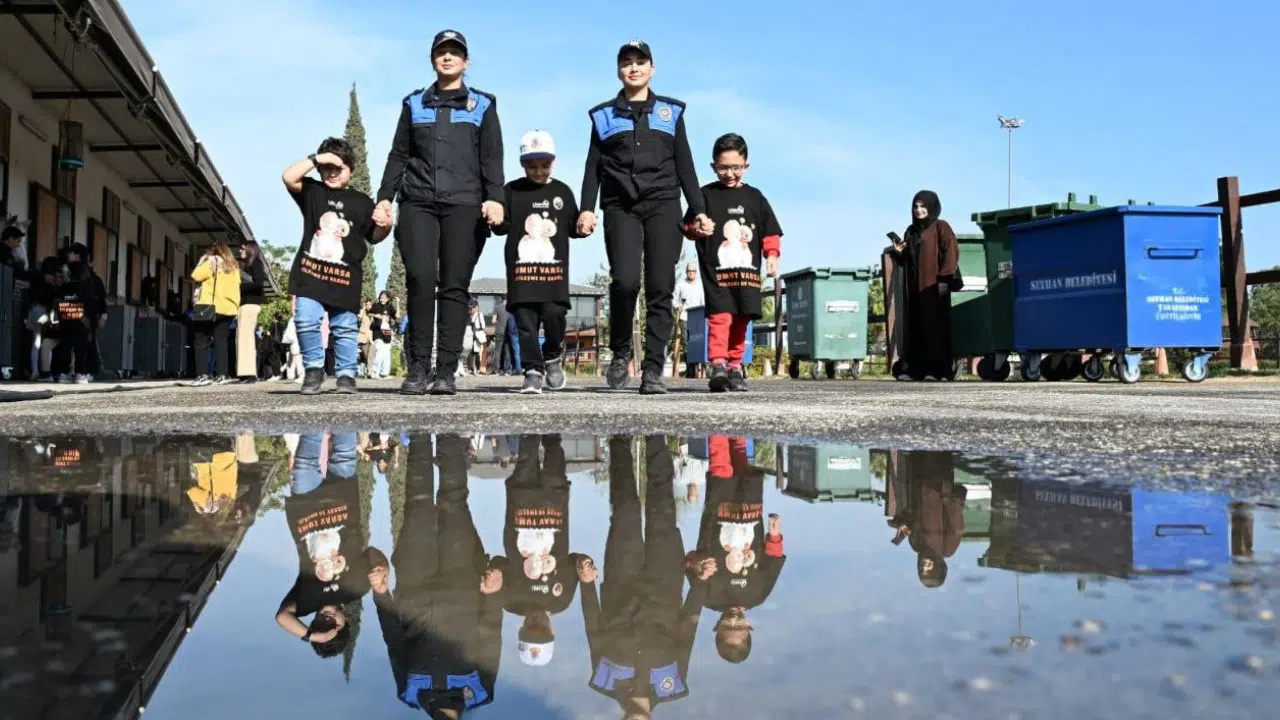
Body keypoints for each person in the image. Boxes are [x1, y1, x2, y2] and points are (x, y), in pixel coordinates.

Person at [376, 29, 505, 396]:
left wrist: (495, 196)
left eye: (454, 53)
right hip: (417, 202)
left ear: (465, 61)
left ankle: (446, 370)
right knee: (419, 278)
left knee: (453, 285)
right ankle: (418, 366)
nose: (447, 58)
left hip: (465, 205)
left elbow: (491, 156)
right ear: (433, 59)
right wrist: (385, 197)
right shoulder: (414, 104)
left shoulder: (482, 105)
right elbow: (399, 154)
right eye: (441, 53)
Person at [578, 39, 711, 395]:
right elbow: (593, 166)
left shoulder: (671, 113)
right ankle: (620, 352)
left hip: (663, 204)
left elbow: (685, 164)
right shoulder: (603, 116)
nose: (633, 68)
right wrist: (587, 208)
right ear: (619, 71)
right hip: (620, 206)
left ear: (652, 69)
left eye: (640, 62)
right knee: (624, 282)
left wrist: (698, 209)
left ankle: (653, 368)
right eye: (626, 63)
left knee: (660, 286)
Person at [372, 434, 504, 717]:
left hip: (413, 579)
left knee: (418, 503)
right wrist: (493, 596)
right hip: (463, 581)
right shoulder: (480, 691)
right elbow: (490, 635)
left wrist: (381, 593)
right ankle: (449, 433)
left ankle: (419, 431)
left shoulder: (408, 693)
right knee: (453, 501)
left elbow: (393, 639)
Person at [579, 436, 700, 717]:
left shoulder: (603, 681)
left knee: (625, 510)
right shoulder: (674, 685)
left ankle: (620, 440)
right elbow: (688, 630)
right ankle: (656, 436)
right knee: (661, 509)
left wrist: (586, 586)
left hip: (621, 581)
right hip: (666, 581)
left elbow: (593, 629)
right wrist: (700, 582)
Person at [282, 137, 392, 395]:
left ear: (351, 170)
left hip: (346, 279)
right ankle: (313, 370)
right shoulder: (312, 191)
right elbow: (288, 177)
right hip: (311, 276)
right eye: (326, 169)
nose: (331, 173)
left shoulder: (362, 201)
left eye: (338, 168)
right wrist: (317, 159)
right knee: (305, 320)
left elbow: (374, 236)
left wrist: (387, 226)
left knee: (344, 328)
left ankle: (345, 375)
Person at [489, 130, 588, 394]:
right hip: (522, 275)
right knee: (525, 323)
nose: (539, 171)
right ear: (523, 164)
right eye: (532, 166)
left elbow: (571, 228)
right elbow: (501, 228)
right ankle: (532, 371)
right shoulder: (511, 191)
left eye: (544, 165)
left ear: (553, 162)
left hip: (553, 276)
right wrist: (494, 218)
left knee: (555, 315)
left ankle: (552, 356)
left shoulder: (562, 192)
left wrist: (584, 224)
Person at [683, 133, 783, 393]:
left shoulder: (755, 197)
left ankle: (735, 367)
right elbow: (687, 226)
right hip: (717, 274)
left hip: (747, 276)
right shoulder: (703, 195)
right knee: (721, 317)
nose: (729, 173)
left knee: (741, 319)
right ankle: (717, 365)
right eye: (723, 167)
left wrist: (771, 255)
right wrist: (697, 228)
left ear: (746, 165)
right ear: (713, 166)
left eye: (735, 167)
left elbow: (770, 230)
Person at [275, 431, 388, 658]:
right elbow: (373, 554)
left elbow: (282, 618)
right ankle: (342, 400)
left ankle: (315, 406)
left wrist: (311, 636)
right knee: (344, 451)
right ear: (345, 622)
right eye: (332, 627)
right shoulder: (356, 588)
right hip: (343, 498)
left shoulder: (305, 600)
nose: (326, 621)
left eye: (320, 627)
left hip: (306, 504)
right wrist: (384, 568)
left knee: (306, 456)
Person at [683, 435, 785, 664]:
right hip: (751, 513)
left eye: (728, 625)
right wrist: (775, 536)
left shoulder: (706, 597)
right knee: (742, 465)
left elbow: (687, 563)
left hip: (717, 514)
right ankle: (738, 428)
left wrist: (697, 564)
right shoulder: (759, 594)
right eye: (739, 625)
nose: (733, 618)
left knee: (721, 467)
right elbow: (773, 560)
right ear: (750, 627)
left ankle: (718, 426)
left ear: (716, 627)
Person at [501, 435, 584, 671]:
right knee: (554, 451)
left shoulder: (509, 601)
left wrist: (493, 576)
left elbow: (497, 561)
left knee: (527, 449)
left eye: (530, 631)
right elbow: (573, 560)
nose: (536, 625)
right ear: (552, 631)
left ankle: (529, 410)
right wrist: (584, 565)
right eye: (542, 632)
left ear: (521, 629)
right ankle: (551, 425)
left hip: (520, 503)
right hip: (554, 503)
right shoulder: (562, 600)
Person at [890, 190, 959, 381]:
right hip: (914, 290)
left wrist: (945, 280)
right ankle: (915, 371)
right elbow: (907, 261)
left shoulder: (941, 228)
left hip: (934, 288)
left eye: (923, 206)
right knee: (916, 328)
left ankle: (938, 371)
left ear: (932, 207)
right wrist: (898, 252)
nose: (919, 210)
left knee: (934, 328)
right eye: (916, 206)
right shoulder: (911, 232)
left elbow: (950, 252)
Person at [49, 246, 108, 384]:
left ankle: (63, 374)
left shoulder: (64, 287)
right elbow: (93, 302)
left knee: (65, 346)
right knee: (81, 348)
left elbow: (57, 302)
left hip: (66, 320)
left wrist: (57, 317)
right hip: (82, 321)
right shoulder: (87, 285)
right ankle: (80, 373)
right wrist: (96, 315)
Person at [190, 242, 241, 386]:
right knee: (221, 342)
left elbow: (195, 276)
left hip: (208, 306)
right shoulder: (234, 268)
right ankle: (222, 375)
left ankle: (203, 375)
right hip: (229, 308)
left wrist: (202, 260)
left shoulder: (211, 263)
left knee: (201, 341)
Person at [236, 240, 267, 383]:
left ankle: (249, 373)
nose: (240, 251)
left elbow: (259, 282)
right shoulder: (249, 266)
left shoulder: (255, 264)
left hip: (250, 304)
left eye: (242, 249)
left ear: (250, 250)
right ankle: (244, 372)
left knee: (246, 338)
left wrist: (240, 288)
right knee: (242, 338)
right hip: (246, 304)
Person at [671, 262, 704, 377]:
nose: (691, 273)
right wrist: (677, 306)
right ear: (686, 272)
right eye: (689, 271)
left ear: (696, 273)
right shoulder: (680, 284)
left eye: (693, 271)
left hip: (698, 318)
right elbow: (673, 300)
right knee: (687, 342)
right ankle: (690, 368)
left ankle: (695, 366)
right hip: (684, 316)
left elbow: (703, 302)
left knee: (697, 342)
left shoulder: (700, 285)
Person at [369, 291, 398, 379]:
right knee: (379, 352)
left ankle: (384, 373)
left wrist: (398, 303)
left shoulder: (390, 307)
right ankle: (374, 373)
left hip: (387, 331)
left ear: (388, 299)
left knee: (386, 353)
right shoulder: (376, 305)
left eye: (384, 298)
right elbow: (369, 313)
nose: (382, 299)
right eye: (381, 297)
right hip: (377, 330)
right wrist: (376, 315)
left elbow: (396, 316)